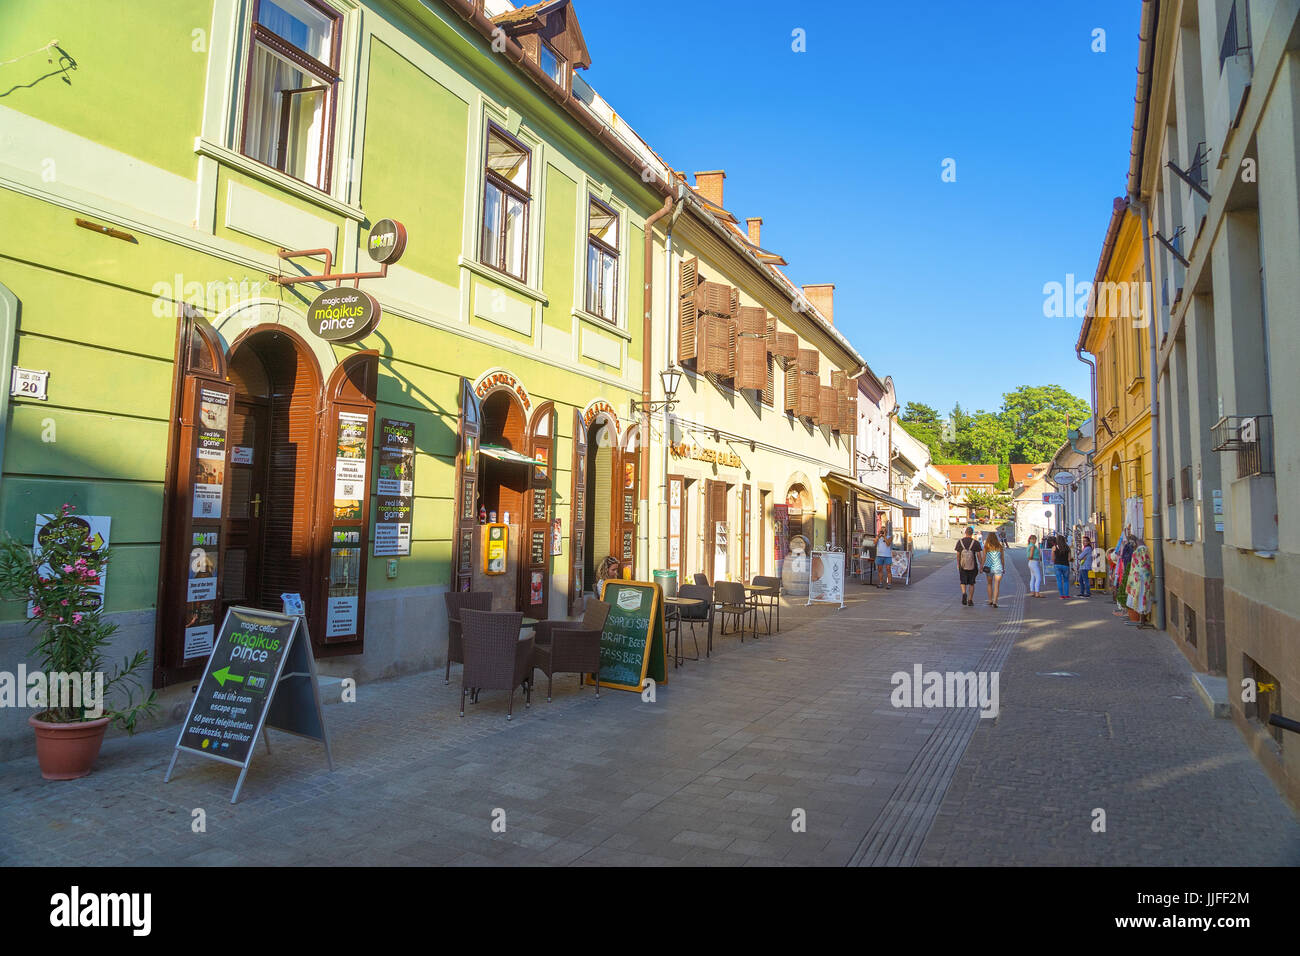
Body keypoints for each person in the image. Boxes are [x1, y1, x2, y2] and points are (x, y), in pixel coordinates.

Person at [955, 526, 982, 607]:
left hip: (962, 565)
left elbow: (958, 554)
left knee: (963, 581)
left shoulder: (960, 542)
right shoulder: (975, 542)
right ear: (972, 533)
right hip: (973, 566)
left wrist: (958, 564)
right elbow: (978, 555)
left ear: (965, 533)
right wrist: (981, 565)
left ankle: (964, 593)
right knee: (972, 583)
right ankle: (970, 600)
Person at [983, 531, 1005, 607]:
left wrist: (981, 566)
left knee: (989, 584)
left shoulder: (986, 546)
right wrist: (1003, 568)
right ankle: (995, 601)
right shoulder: (1000, 547)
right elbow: (1002, 559)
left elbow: (984, 558)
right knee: (997, 585)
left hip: (988, 568)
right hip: (998, 567)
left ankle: (990, 600)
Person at [1026, 534, 1043, 598]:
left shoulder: (1029, 545)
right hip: (1034, 562)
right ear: (1030, 540)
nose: (1035, 540)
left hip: (1031, 563)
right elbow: (1031, 555)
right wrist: (1030, 557)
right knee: (1038, 577)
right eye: (1033, 539)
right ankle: (1037, 592)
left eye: (1035, 539)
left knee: (1033, 577)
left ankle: (1032, 591)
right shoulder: (1033, 546)